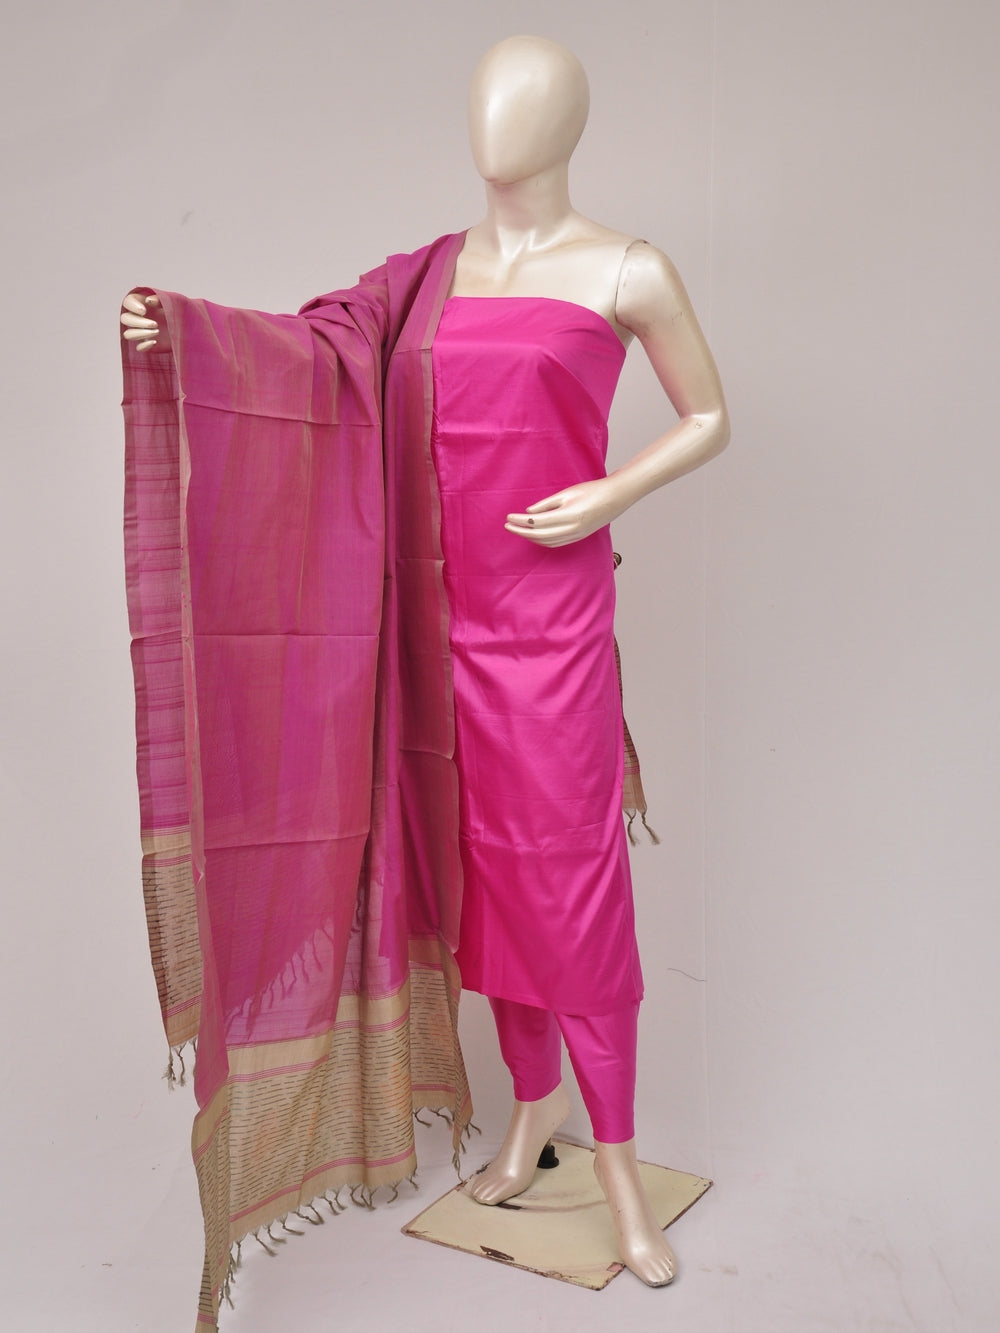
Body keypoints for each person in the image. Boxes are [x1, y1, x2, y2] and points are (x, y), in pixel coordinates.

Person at [122, 34, 728, 1293]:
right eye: (485, 98)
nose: (498, 122)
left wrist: (609, 491)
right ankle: (530, 1107)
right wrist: (184, 333)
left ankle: (619, 1164)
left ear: (567, 122)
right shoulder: (424, 280)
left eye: (527, 101)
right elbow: (310, 354)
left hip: (549, 634)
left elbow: (710, 414)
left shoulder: (627, 267)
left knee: (571, 891)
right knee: (477, 886)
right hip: (425, 634)